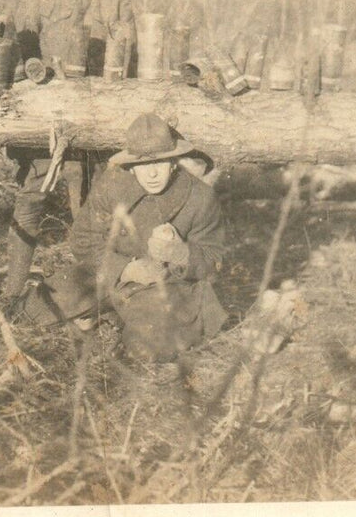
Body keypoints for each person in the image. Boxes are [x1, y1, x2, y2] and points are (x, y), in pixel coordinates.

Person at [3, 0, 136, 301]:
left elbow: (129, 67)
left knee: (91, 209)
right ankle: (12, 290)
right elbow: (21, 53)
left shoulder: (117, 0)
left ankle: (89, 297)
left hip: (96, 120)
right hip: (48, 118)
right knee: (31, 198)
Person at [22, 113, 228, 363]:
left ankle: (117, 317)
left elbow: (214, 261)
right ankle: (111, 313)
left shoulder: (200, 197)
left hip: (165, 288)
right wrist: (125, 269)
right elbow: (83, 240)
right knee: (33, 310)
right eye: (143, 164)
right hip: (110, 277)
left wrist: (180, 253)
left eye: (160, 162)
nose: (152, 174)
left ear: (174, 162)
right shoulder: (112, 185)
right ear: (130, 166)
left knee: (146, 350)